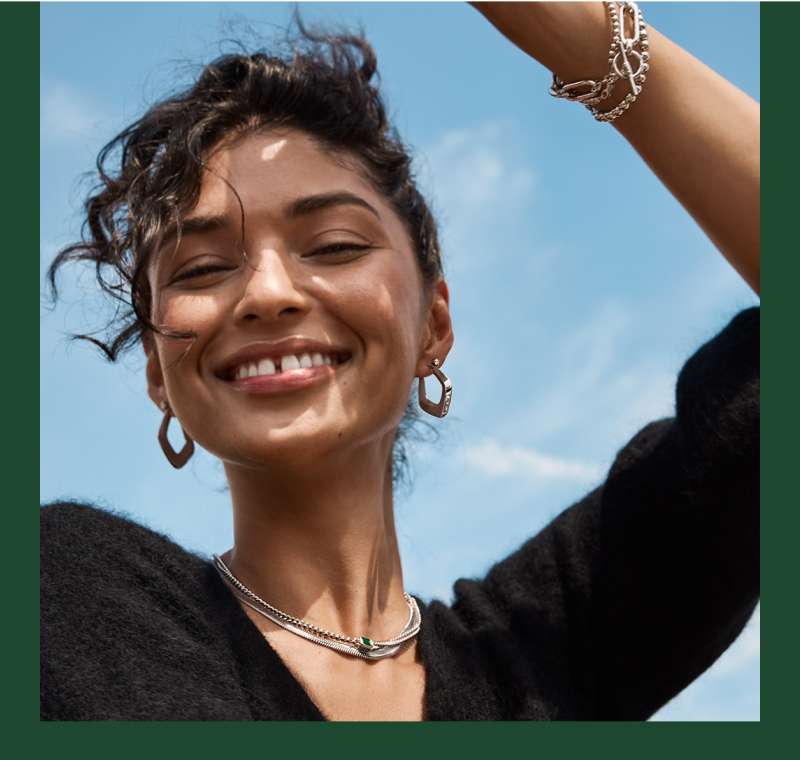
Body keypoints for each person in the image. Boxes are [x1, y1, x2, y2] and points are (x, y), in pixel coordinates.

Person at [40, 1, 759, 721]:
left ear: (433, 327)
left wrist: (576, 29)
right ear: (159, 375)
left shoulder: (551, 651)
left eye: (335, 246)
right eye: (200, 268)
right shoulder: (65, 594)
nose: (266, 293)